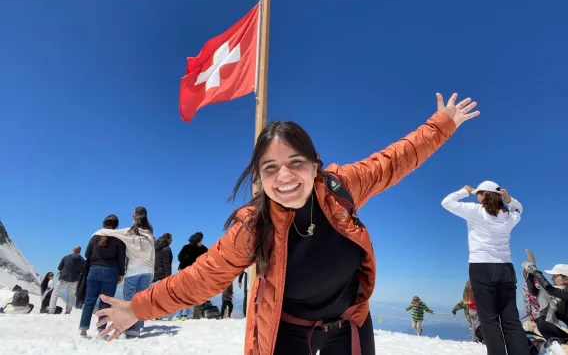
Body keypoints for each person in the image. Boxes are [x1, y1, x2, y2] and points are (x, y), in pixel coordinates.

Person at [96, 93, 479, 355]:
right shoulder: (252, 226)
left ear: (315, 164)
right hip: (284, 327)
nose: (285, 176)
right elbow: (200, 280)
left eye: (296, 162)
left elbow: (395, 160)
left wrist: (442, 124)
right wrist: (137, 307)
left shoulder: (341, 187)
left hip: (348, 323)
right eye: (270, 167)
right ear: (260, 177)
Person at [441, 181, 529, 355]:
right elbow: (519, 209)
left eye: (478, 193)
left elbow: (447, 202)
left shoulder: (475, 211)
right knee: (511, 320)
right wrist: (509, 199)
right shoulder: (509, 216)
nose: (476, 196)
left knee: (489, 321)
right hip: (506, 268)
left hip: (481, 267)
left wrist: (464, 191)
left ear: (484, 195)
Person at [94, 206, 154, 338]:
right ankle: (138, 329)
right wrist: (152, 273)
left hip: (133, 271)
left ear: (134, 216)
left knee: (130, 300)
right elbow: (153, 255)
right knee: (142, 300)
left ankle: (129, 327)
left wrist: (95, 234)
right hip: (147, 270)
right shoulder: (149, 234)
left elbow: (108, 232)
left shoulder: (129, 232)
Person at [79, 214, 126, 338]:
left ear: (104, 223)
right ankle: (101, 330)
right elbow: (121, 258)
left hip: (94, 270)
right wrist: (121, 273)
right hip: (111, 272)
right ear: (116, 225)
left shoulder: (95, 236)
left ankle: (83, 330)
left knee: (89, 301)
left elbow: (87, 253)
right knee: (105, 302)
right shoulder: (119, 238)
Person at [523, 262, 568, 341]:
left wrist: (535, 271)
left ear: (566, 280)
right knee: (541, 321)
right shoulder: (559, 294)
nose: (551, 279)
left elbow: (550, 289)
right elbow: (534, 292)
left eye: (555, 276)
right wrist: (530, 276)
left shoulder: (563, 293)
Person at [173, 232, 208, 320]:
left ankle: (178, 314)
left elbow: (179, 257)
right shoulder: (203, 249)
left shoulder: (186, 247)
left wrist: (184, 262)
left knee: (180, 292)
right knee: (189, 292)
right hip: (195, 272)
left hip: (183, 271)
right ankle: (185, 314)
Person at [48, 246, 85, 314]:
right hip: (75, 280)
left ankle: (51, 311)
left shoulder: (66, 257)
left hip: (63, 279)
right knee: (70, 297)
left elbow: (59, 268)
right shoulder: (82, 260)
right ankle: (67, 312)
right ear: (80, 251)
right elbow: (82, 271)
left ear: (73, 250)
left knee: (55, 294)